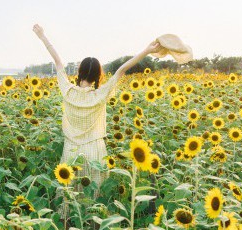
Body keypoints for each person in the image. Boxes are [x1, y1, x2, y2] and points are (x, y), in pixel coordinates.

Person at [33, 24, 161, 189]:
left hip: (71, 149)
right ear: (97, 76)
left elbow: (58, 62)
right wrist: (147, 50)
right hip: (95, 149)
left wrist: (43, 36)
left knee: (70, 192)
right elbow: (122, 69)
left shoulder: (68, 91)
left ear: (80, 71)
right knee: (95, 194)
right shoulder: (100, 96)